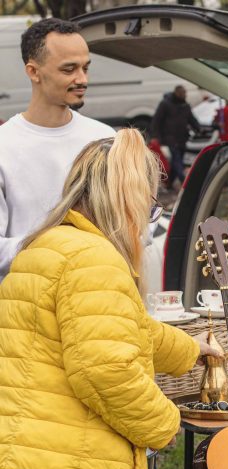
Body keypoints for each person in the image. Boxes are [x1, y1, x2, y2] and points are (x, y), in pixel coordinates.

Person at [0, 128, 218, 469]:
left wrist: (192, 350)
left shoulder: (48, 247)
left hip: (22, 468)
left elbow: (127, 329)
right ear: (125, 197)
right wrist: (166, 425)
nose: (148, 217)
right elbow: (106, 369)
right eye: (149, 203)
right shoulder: (95, 260)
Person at [0, 18, 115, 281]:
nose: (82, 79)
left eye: (86, 67)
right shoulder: (3, 146)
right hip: (25, 299)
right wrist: (59, 249)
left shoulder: (105, 138)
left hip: (99, 294)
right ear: (33, 72)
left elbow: (137, 228)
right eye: (69, 69)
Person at [150, 84, 200, 191]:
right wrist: (155, 135)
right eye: (182, 93)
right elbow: (156, 120)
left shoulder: (185, 105)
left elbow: (192, 120)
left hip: (182, 138)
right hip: (170, 138)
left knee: (176, 162)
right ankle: (185, 184)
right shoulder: (165, 104)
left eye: (185, 93)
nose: (185, 95)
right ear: (176, 93)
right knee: (177, 161)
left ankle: (169, 183)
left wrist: (199, 129)